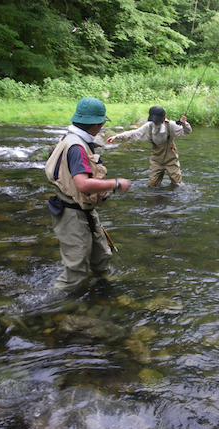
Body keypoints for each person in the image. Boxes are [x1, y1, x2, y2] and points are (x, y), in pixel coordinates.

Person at [45, 97, 131, 292]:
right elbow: (82, 184)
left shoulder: (73, 139)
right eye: (101, 123)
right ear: (97, 123)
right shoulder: (76, 147)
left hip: (82, 209)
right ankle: (47, 309)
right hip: (71, 213)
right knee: (75, 272)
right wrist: (116, 183)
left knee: (101, 257)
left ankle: (100, 292)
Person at [106, 106, 192, 187]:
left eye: (158, 120)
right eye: (154, 120)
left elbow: (187, 132)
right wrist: (117, 136)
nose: (156, 122)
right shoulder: (148, 127)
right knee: (152, 184)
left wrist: (184, 123)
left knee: (177, 184)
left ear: (164, 116)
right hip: (156, 160)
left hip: (171, 159)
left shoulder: (171, 125)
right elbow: (134, 133)